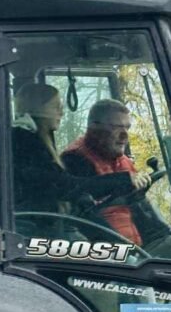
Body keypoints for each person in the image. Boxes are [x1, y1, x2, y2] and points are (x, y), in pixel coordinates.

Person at [62, 99, 171, 258]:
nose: (125, 136)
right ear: (94, 129)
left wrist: (167, 234)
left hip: (140, 248)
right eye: (116, 127)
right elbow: (86, 219)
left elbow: (141, 208)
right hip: (113, 257)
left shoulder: (123, 161)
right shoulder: (75, 160)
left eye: (127, 128)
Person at [11, 83, 139, 218]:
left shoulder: (36, 138)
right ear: (39, 108)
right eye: (56, 107)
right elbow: (64, 186)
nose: (61, 113)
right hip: (33, 223)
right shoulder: (24, 141)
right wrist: (121, 180)